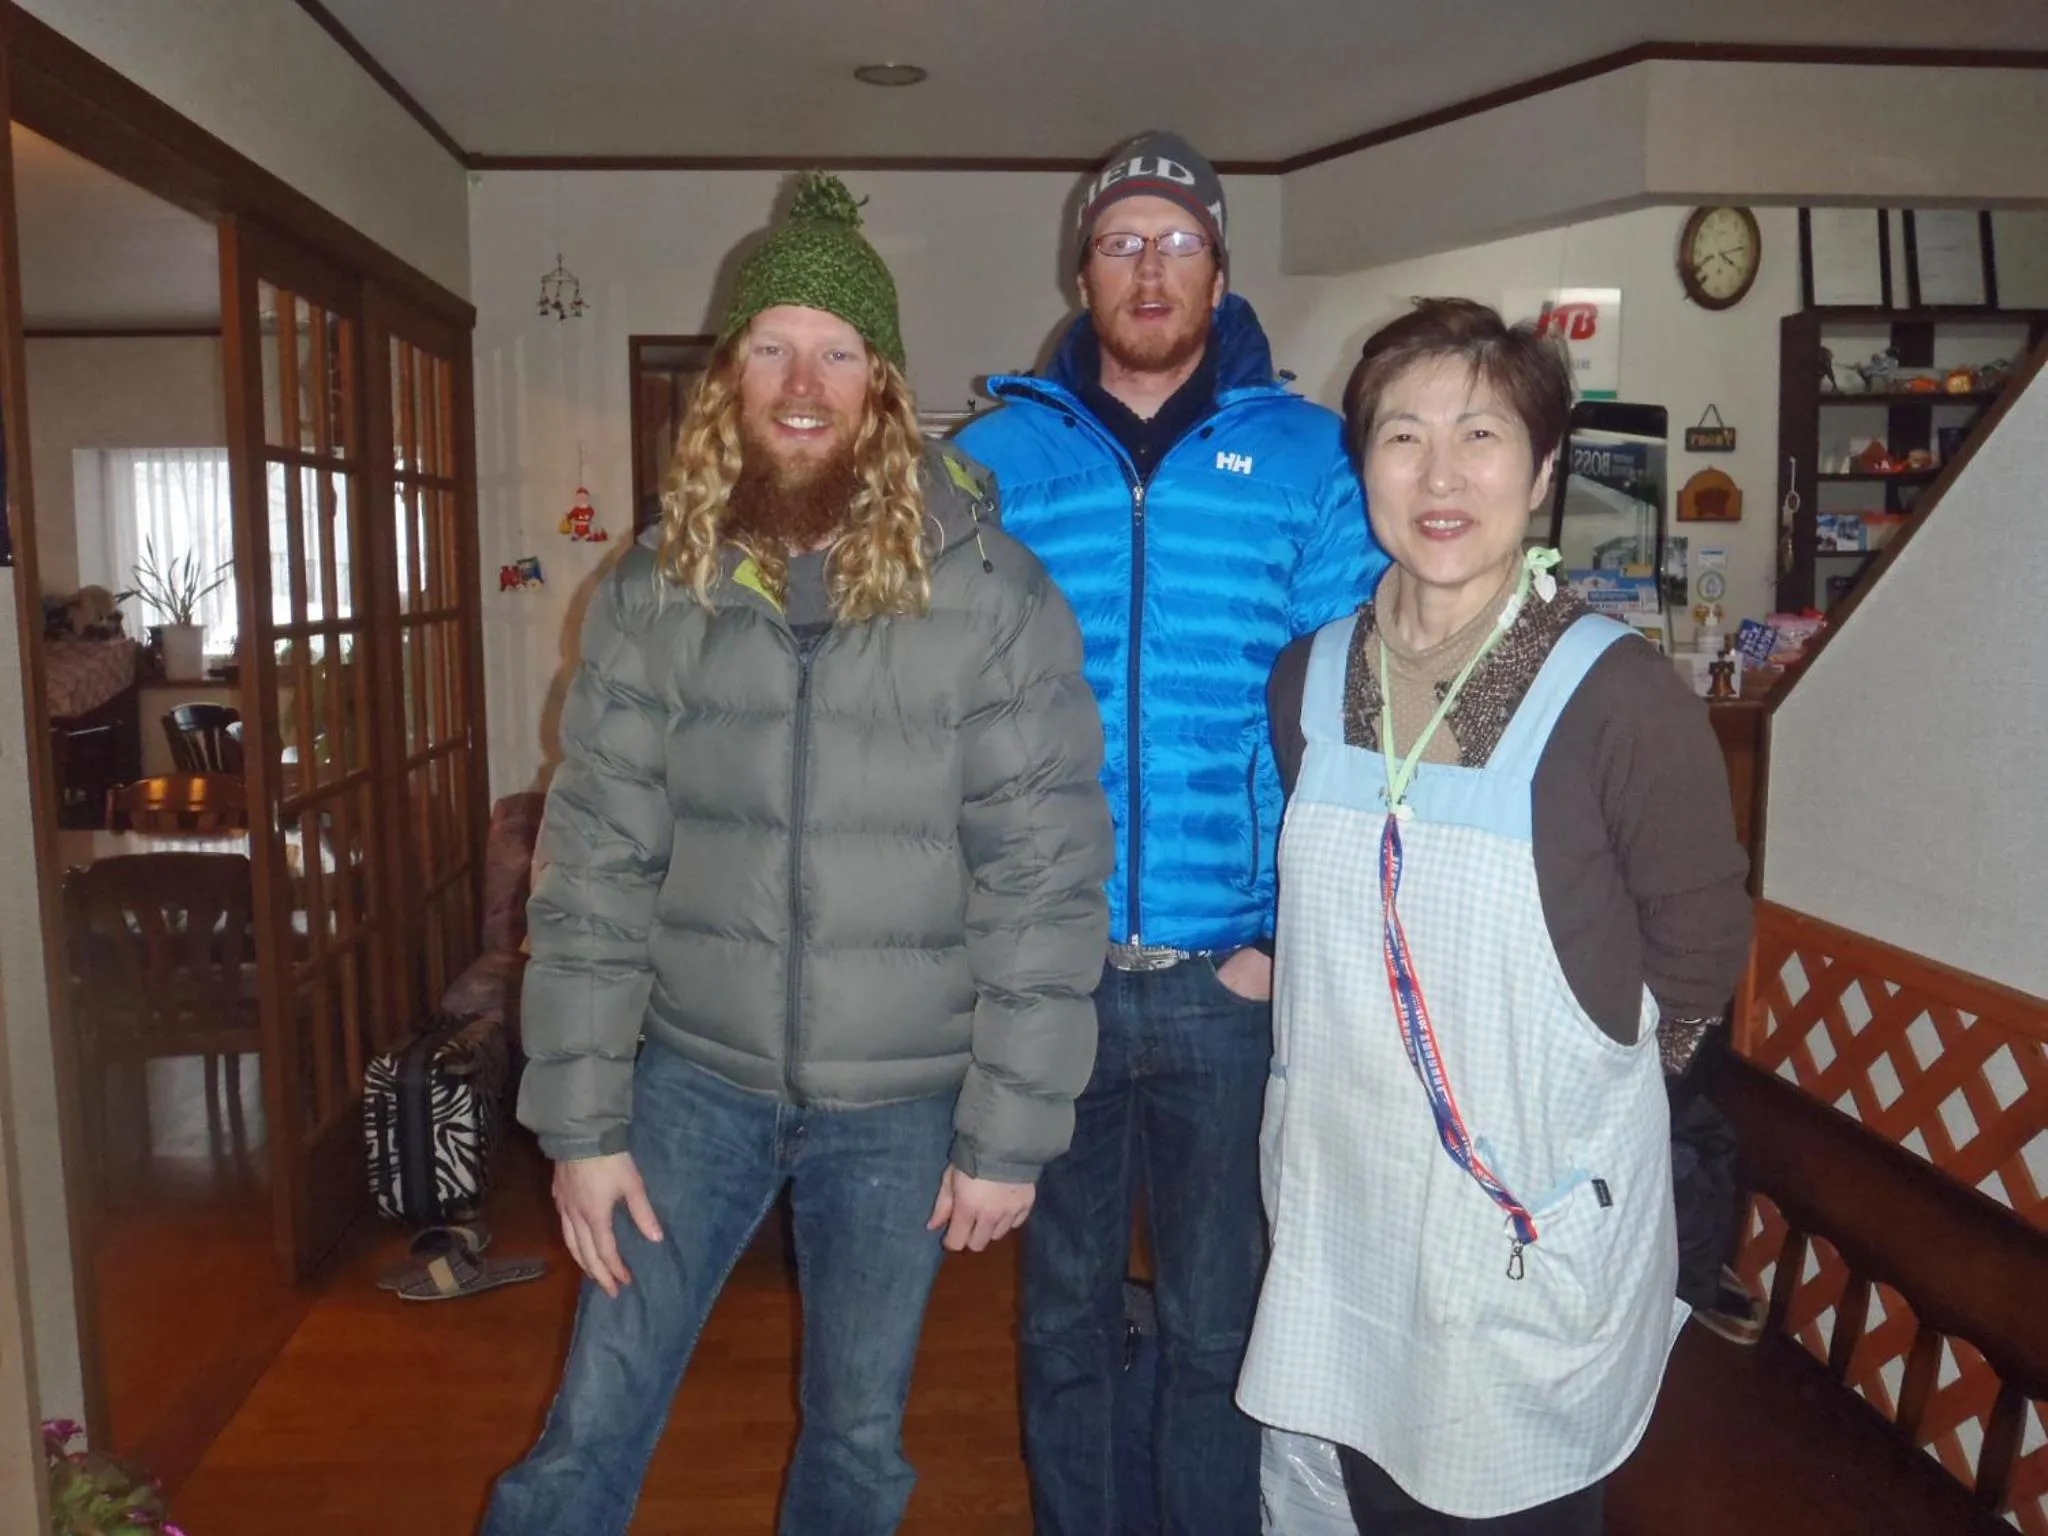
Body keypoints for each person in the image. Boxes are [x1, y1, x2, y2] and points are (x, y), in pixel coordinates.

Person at [483, 174, 1113, 1536]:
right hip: (686, 1085)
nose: (803, 379)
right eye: (771, 344)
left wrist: (1010, 1131)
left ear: (884, 383)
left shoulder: (997, 599)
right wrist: (581, 1128)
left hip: (900, 1109)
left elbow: (1045, 882)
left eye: (837, 348)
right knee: (586, 1432)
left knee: (859, 1446)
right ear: (730, 378)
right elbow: (590, 869)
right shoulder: (656, 589)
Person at [1239, 297, 1752, 1534]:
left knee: (1503, 1501)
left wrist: (1585, 1088)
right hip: (1346, 1204)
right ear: (1360, 464)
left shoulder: (1619, 699)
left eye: (1479, 435)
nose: (1438, 474)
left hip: (1523, 1208)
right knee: (1354, 1488)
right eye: (1400, 437)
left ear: (1540, 471)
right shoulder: (1306, 677)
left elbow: (1698, 953)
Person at [955, 130, 1384, 1533]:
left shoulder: (1317, 457)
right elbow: (941, 710)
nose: (1151, 267)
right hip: (1049, 975)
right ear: (1081, 269)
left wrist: (1277, 935)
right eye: (1122, 241)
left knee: (1223, 1327)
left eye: (1178, 241)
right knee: (1062, 1319)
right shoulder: (991, 460)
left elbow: (1355, 706)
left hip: (1231, 983)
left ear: (1220, 267)